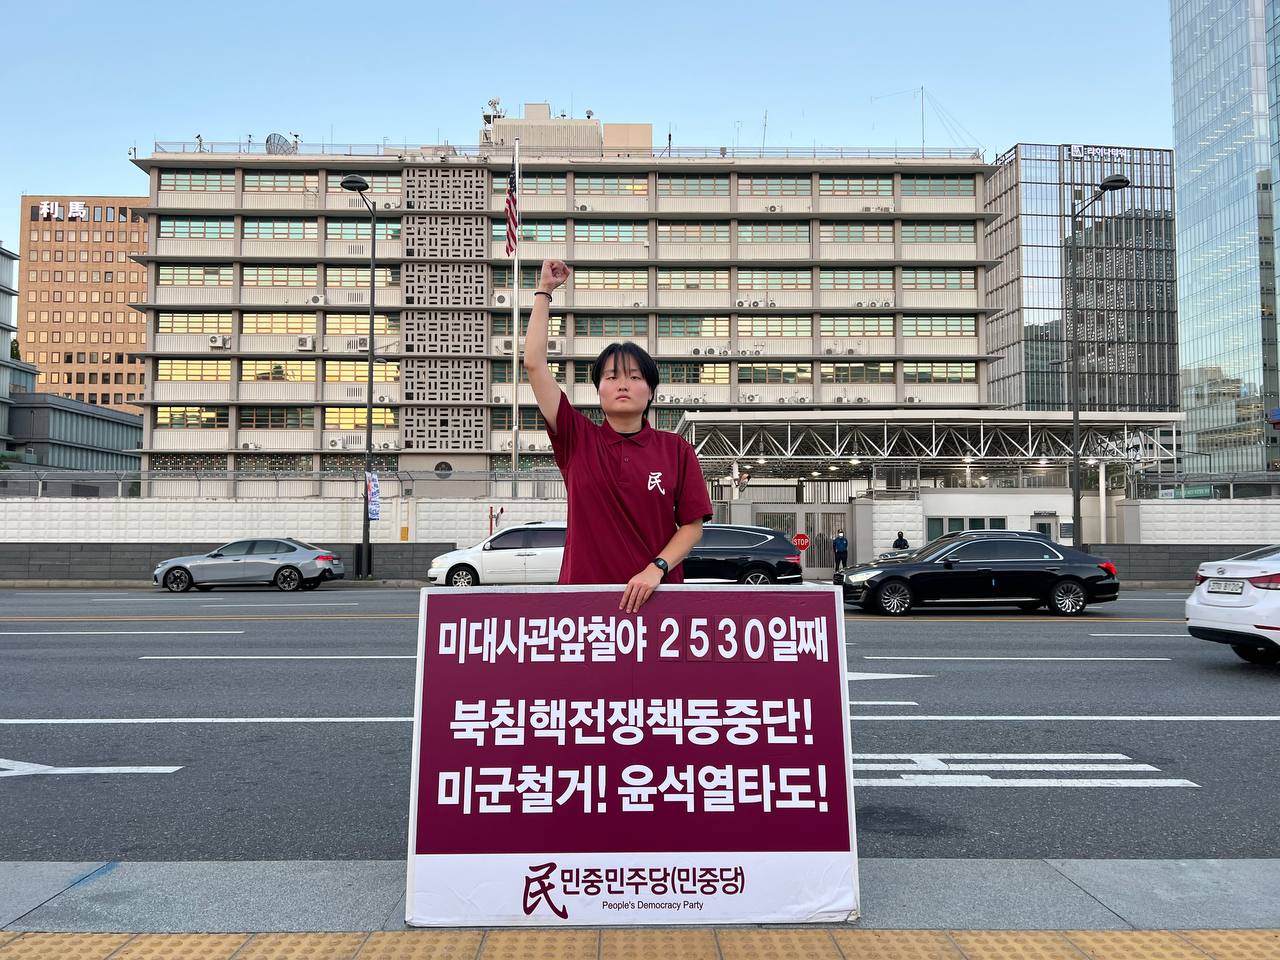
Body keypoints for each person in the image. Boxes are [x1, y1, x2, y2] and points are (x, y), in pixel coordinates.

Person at [524, 259, 712, 613]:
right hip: (583, 605)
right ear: (598, 390)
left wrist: (656, 569)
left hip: (659, 603)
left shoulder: (675, 450)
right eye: (611, 377)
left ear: (651, 391)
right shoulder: (576, 438)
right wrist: (544, 291)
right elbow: (534, 364)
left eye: (635, 377)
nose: (622, 384)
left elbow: (692, 526)